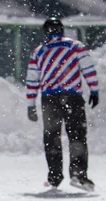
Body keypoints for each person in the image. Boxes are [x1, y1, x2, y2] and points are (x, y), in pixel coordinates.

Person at [25, 17, 99, 191]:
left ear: (45, 32)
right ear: (62, 30)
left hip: (49, 99)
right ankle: (78, 174)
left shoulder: (38, 52)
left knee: (51, 138)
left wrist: (31, 104)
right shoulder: (75, 46)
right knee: (77, 136)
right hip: (72, 96)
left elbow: (32, 80)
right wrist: (94, 90)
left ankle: (54, 177)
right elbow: (88, 68)